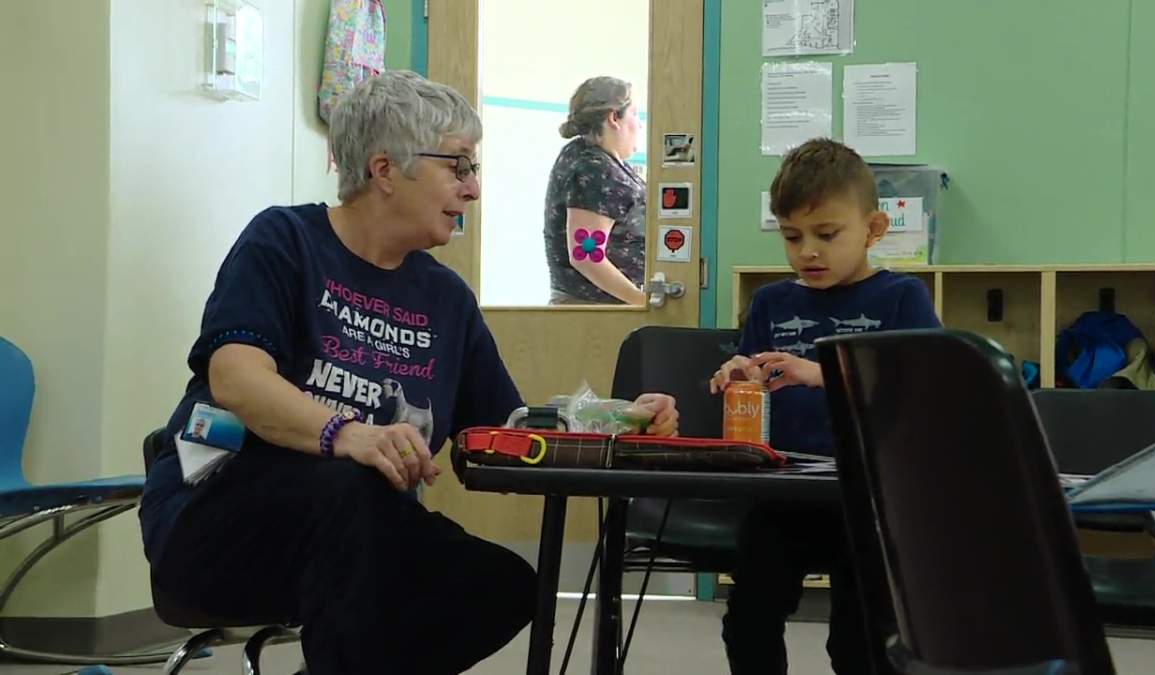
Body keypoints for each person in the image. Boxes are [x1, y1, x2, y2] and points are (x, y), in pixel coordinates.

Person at [138, 70, 680, 675]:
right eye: (459, 167)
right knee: (352, 488)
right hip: (215, 519)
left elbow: (510, 428)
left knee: (501, 586)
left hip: (360, 536)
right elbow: (236, 379)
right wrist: (348, 434)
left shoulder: (445, 299)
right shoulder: (285, 240)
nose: (473, 190)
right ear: (385, 169)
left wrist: (613, 421)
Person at [709, 138, 941, 674]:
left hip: (870, 499)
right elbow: (755, 376)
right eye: (792, 237)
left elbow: (922, 390)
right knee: (748, 617)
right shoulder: (772, 302)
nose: (807, 251)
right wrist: (741, 375)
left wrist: (823, 374)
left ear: (874, 229)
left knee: (860, 641)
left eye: (827, 235)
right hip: (782, 493)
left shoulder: (902, 298)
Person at [543, 76, 646, 305]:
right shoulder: (595, 169)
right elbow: (587, 255)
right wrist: (642, 303)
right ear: (614, 118)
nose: (639, 124)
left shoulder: (585, 155)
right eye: (635, 114)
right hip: (595, 315)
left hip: (597, 311)